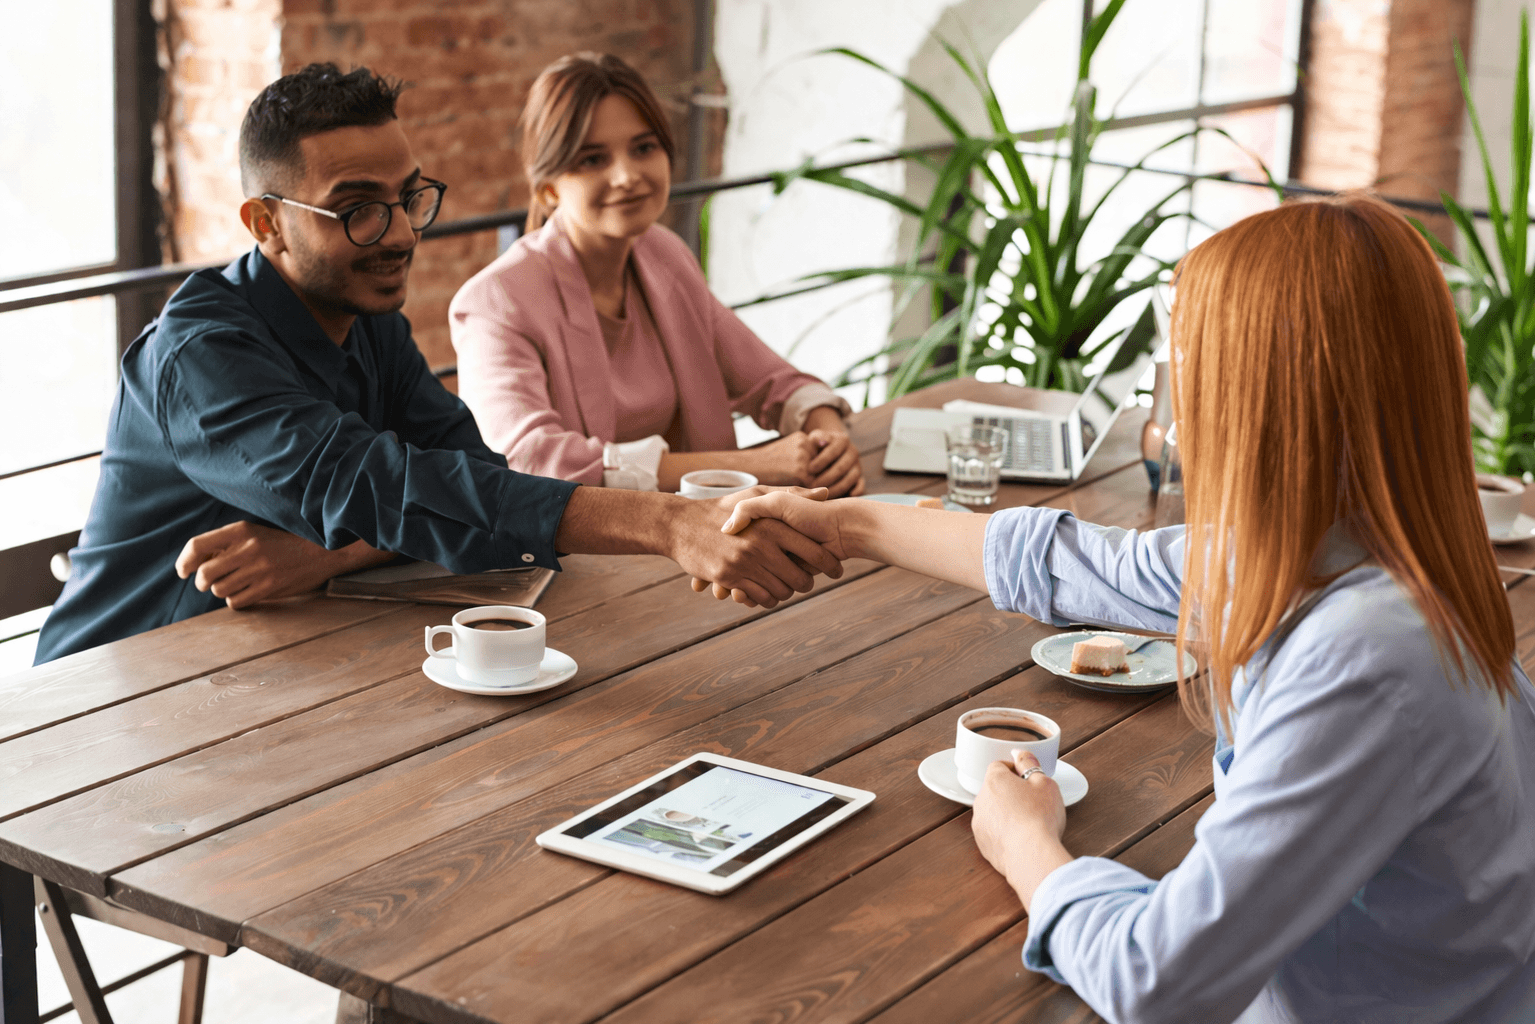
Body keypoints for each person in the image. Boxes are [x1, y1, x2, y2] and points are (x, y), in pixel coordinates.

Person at [712, 195, 1535, 1022]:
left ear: (1265, 398)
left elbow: (1154, 983)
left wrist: (1024, 841)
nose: (1170, 408)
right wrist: (842, 523)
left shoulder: (1368, 659)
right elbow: (1073, 564)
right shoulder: (1353, 549)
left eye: (1188, 372)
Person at [34, 63, 840, 665]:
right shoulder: (201, 354)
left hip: (274, 669)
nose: (398, 233)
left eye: (408, 197)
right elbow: (376, 484)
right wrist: (666, 523)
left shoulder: (364, 315)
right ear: (266, 223)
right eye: (357, 210)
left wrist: (326, 552)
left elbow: (466, 472)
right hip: (107, 701)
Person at [449, 52, 864, 496]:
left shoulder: (664, 255)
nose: (627, 176)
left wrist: (828, 439)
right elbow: (532, 459)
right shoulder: (495, 301)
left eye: (644, 148)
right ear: (548, 187)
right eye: (592, 159)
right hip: (583, 553)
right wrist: (748, 466)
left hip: (704, 533)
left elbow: (771, 381)